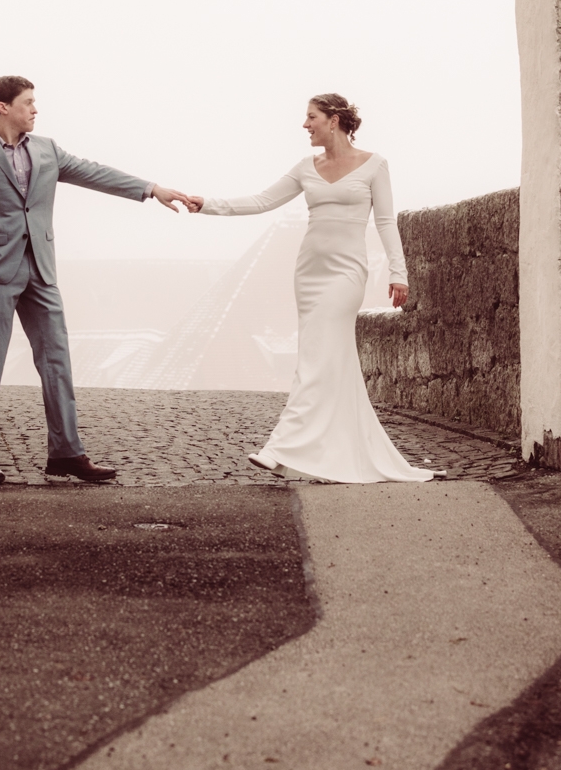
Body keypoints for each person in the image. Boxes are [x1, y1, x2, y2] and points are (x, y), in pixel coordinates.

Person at [0, 76, 191, 486]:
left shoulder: (47, 149)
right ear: (3, 107)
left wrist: (151, 189)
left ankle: (67, 452)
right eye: (28, 102)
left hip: (41, 270)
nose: (35, 109)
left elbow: (95, 173)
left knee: (56, 359)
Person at [187, 94, 436, 483]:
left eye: (311, 117)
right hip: (310, 273)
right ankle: (329, 453)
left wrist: (397, 272)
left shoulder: (374, 165)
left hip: (346, 274)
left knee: (315, 361)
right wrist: (206, 204)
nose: (305, 125)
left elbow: (386, 221)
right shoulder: (306, 167)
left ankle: (280, 449)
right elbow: (262, 201)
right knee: (325, 359)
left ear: (333, 120)